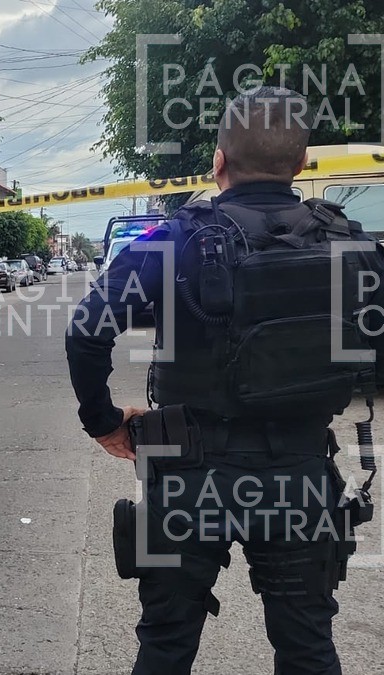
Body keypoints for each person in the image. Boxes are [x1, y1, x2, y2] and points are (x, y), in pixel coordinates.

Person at [65, 86, 381, 675]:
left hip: (186, 472)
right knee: (308, 647)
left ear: (218, 162)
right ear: (303, 164)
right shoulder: (350, 242)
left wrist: (105, 423)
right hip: (301, 478)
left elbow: (86, 328)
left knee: (164, 644)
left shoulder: (175, 238)